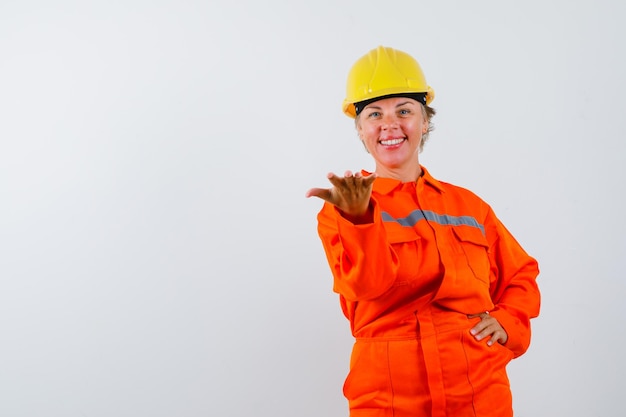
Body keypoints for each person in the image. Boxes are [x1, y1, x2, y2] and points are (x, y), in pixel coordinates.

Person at [305, 45, 541, 417]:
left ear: (425, 121)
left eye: (404, 110)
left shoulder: (469, 207)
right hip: (389, 394)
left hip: (477, 390)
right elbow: (366, 288)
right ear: (361, 130)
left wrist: (508, 322)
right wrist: (361, 220)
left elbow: (520, 275)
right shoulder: (344, 209)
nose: (390, 124)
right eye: (374, 114)